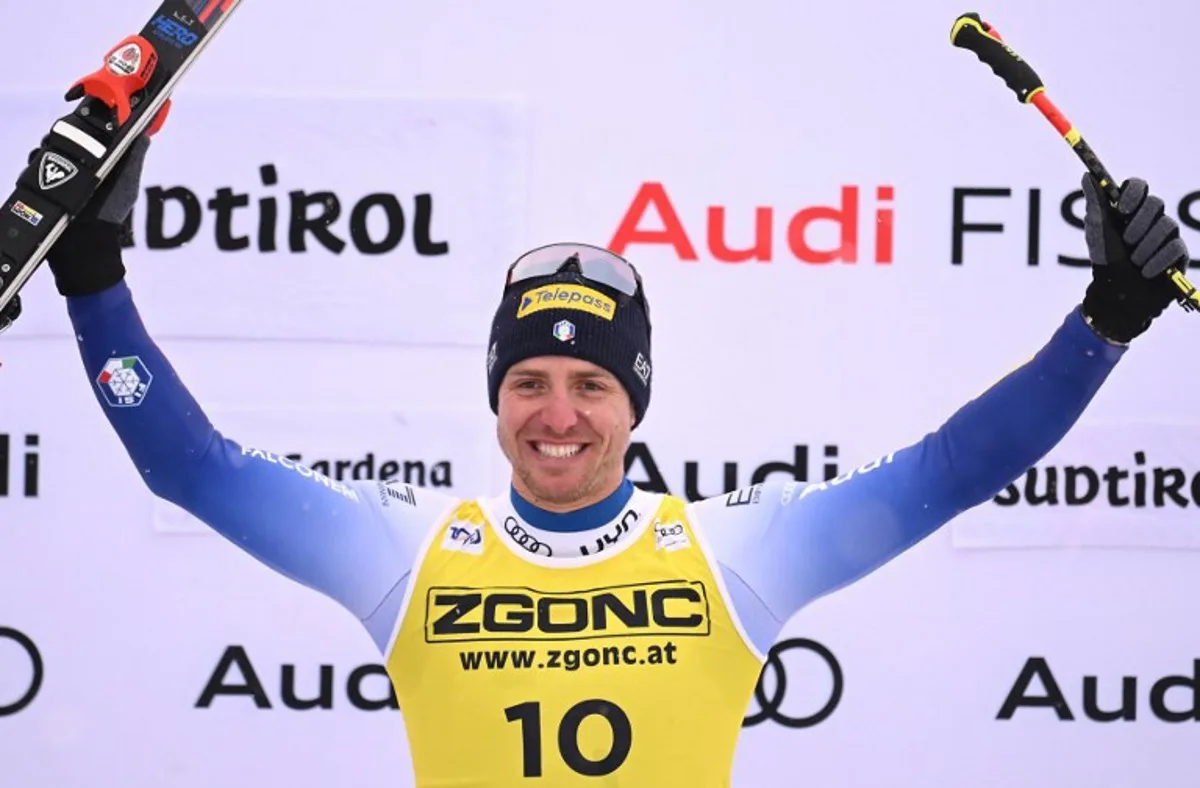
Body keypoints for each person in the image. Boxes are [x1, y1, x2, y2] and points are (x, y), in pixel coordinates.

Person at [41, 117, 1188, 786]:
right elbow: (191, 465)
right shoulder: (411, 549)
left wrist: (1106, 325)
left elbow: (952, 467)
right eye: (528, 381)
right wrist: (93, 281)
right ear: (495, 395)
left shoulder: (737, 549)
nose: (557, 413)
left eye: (592, 384)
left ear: (635, 402)